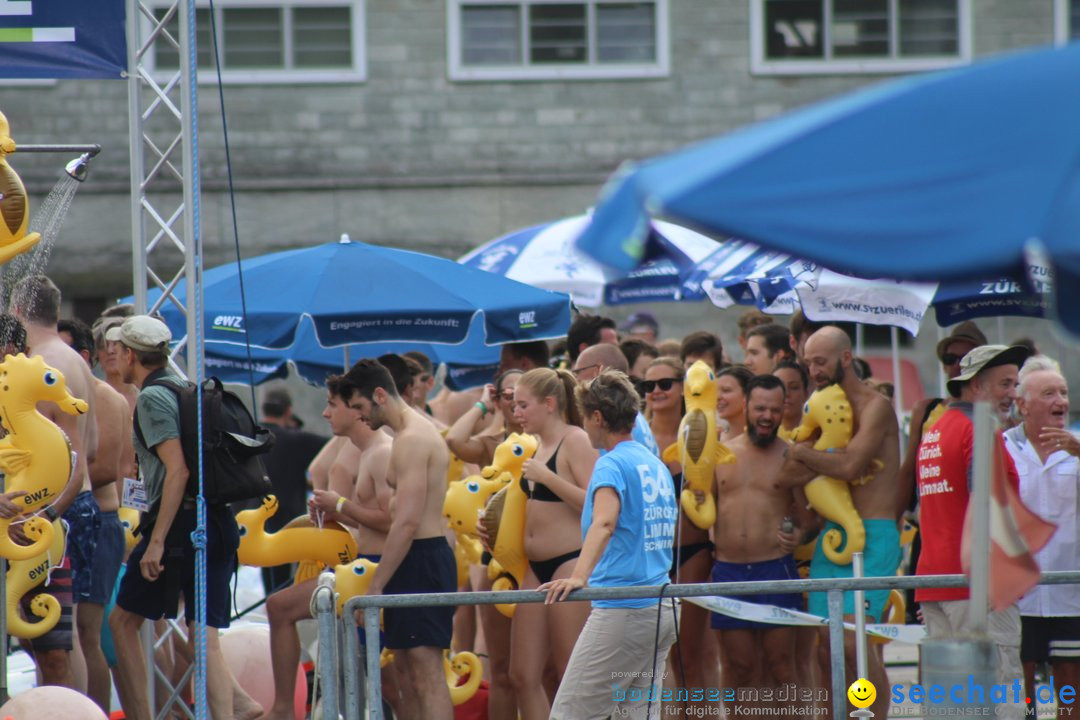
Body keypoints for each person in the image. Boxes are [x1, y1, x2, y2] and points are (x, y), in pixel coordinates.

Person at [106, 315, 259, 720]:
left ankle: (146, 714)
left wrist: (156, 540)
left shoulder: (153, 398)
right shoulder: (182, 388)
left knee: (122, 621)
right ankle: (237, 708)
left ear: (133, 355)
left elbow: (178, 470)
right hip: (214, 520)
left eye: (118, 350)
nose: (113, 357)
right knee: (202, 634)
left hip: (181, 526)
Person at [778, 326, 900, 716]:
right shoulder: (822, 405)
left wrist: (800, 451)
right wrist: (806, 456)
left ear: (845, 358)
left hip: (875, 535)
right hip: (835, 533)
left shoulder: (875, 406)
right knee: (828, 647)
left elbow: (849, 466)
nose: (813, 370)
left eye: (821, 361)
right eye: (808, 362)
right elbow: (786, 476)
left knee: (855, 644)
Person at [543, 370, 678, 720]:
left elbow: (604, 522)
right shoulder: (655, 463)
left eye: (585, 417)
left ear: (598, 417)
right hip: (661, 603)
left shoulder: (611, 463)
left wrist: (579, 576)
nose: (584, 426)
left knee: (569, 714)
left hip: (625, 606)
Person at [262, 374, 394, 720]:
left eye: (332, 404)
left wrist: (339, 507)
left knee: (398, 680)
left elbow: (393, 521)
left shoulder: (380, 451)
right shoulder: (360, 448)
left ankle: (285, 708)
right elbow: (318, 472)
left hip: (375, 567)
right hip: (354, 563)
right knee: (279, 607)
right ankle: (284, 708)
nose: (324, 414)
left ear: (355, 409)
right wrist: (331, 512)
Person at [914, 343, 1032, 720]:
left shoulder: (936, 430)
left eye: (1015, 384)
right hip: (978, 588)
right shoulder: (978, 428)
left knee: (953, 708)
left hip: (938, 582)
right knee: (1000, 700)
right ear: (976, 386)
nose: (1013, 394)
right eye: (1005, 384)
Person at [343, 358, 457, 720]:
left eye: (361, 407)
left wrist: (376, 587)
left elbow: (406, 522)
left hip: (422, 557)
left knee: (426, 675)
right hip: (414, 558)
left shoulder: (411, 439)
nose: (361, 417)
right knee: (407, 673)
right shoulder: (404, 436)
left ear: (380, 394)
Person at [11, 275, 98, 690]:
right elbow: (89, 446)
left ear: (17, 311)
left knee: (59, 640)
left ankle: (69, 709)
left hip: (53, 510)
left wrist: (45, 513)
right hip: (71, 504)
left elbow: (73, 457)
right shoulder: (74, 360)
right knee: (58, 635)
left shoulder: (43, 366)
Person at [498, 367, 596, 720]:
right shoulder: (539, 446)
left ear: (550, 404)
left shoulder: (576, 440)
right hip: (534, 569)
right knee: (521, 674)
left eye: (523, 405)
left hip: (568, 563)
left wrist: (548, 478)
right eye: (514, 404)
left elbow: (597, 504)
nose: (516, 412)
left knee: (571, 671)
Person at [711, 375, 812, 707]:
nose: (767, 416)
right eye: (760, 409)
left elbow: (811, 516)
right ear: (746, 407)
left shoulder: (792, 456)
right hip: (728, 572)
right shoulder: (720, 454)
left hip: (776, 569)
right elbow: (700, 509)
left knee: (782, 667)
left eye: (774, 409)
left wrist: (799, 533)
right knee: (741, 669)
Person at [58, 317, 131, 712]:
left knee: (88, 634)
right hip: (77, 518)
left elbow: (106, 469)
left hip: (98, 522)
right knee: (64, 636)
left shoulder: (103, 398)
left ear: (83, 357)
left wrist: (53, 489)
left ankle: (94, 711)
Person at [643, 356, 719, 718]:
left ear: (683, 387)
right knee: (655, 661)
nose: (656, 391)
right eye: (648, 385)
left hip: (692, 551)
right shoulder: (636, 435)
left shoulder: (700, 430)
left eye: (665, 384)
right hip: (649, 557)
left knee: (689, 655)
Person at [1004, 356, 1080, 713]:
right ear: (1023, 405)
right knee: (1021, 687)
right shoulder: (1001, 448)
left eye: (1063, 392)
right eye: (1049, 393)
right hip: (1018, 594)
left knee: (1071, 684)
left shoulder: (1077, 450)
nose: (1061, 401)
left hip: (1070, 592)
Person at [256, 387, 327, 596]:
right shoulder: (298, 440)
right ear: (288, 411)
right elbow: (336, 443)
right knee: (283, 586)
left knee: (269, 580)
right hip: (287, 522)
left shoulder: (247, 435)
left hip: (248, 519)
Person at [572, 343, 659, 457]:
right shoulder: (631, 415)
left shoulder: (611, 421)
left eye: (578, 371)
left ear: (598, 370)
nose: (576, 379)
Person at [445, 369, 523, 467]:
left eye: (522, 393)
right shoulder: (490, 446)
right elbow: (454, 440)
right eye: (508, 394)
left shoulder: (545, 442)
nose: (516, 400)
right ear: (497, 402)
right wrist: (483, 404)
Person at [772, 359, 808, 439]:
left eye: (794, 387)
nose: (786, 393)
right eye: (780, 387)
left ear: (805, 394)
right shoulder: (760, 436)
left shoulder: (818, 432)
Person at [716, 365, 752, 441]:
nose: (717, 397)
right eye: (714, 392)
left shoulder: (764, 440)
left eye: (726, 390)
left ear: (747, 394)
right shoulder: (714, 439)